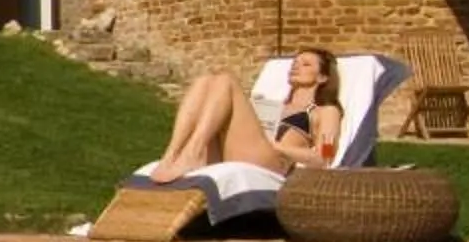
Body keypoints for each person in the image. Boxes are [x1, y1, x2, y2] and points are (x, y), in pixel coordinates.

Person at [142, 50, 342, 185]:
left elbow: (324, 158)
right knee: (205, 81)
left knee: (226, 81)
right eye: (294, 63)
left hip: (271, 162)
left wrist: (278, 147)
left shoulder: (326, 111)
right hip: (242, 150)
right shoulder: (274, 103)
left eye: (305, 64)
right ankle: (172, 154)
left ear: (323, 77)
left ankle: (193, 153)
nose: (295, 67)